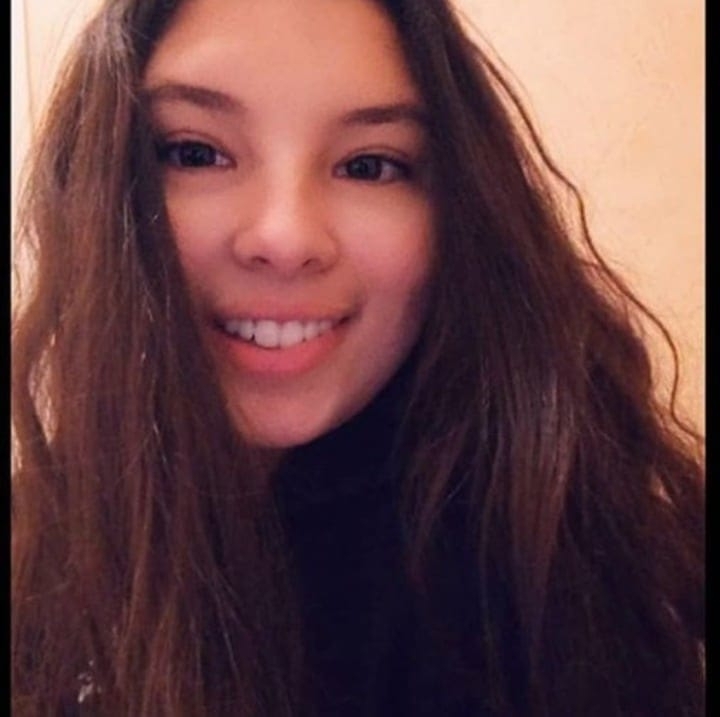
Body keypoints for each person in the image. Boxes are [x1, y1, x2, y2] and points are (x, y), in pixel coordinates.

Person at [11, 0, 705, 715]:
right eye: (195, 153)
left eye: (369, 166)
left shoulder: (559, 582)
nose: (286, 238)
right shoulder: (39, 548)